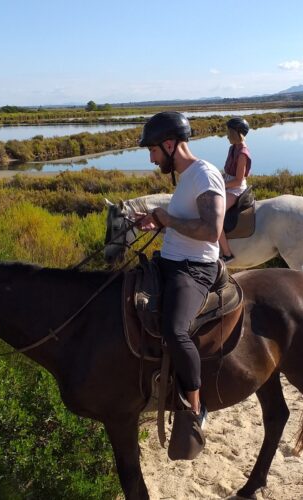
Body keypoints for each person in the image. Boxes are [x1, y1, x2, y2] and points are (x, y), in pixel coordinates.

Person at [135, 111, 226, 438]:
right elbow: (186, 222)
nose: (151, 158)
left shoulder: (204, 175)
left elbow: (212, 230)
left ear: (170, 144)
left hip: (194, 269)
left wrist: (167, 220)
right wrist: (158, 221)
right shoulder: (187, 176)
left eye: (154, 151)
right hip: (171, 260)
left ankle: (195, 406)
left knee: (175, 331)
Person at [217, 117, 252, 263]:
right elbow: (227, 172)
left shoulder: (242, 153)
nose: (226, 135)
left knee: (214, 215)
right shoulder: (233, 148)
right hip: (227, 183)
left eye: (229, 132)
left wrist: (221, 185)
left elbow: (238, 180)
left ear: (237, 133)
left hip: (235, 189)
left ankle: (227, 254)